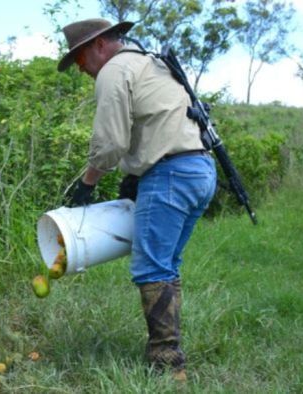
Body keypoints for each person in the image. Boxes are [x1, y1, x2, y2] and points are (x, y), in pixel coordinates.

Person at [58, 18, 217, 381]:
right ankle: (169, 351)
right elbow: (159, 123)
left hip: (171, 175)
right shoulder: (150, 63)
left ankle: (167, 365)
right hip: (200, 171)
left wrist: (87, 185)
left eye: (80, 59)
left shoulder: (114, 70)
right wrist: (135, 177)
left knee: (152, 269)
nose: (81, 69)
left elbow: (110, 144)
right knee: (167, 265)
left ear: (99, 45)